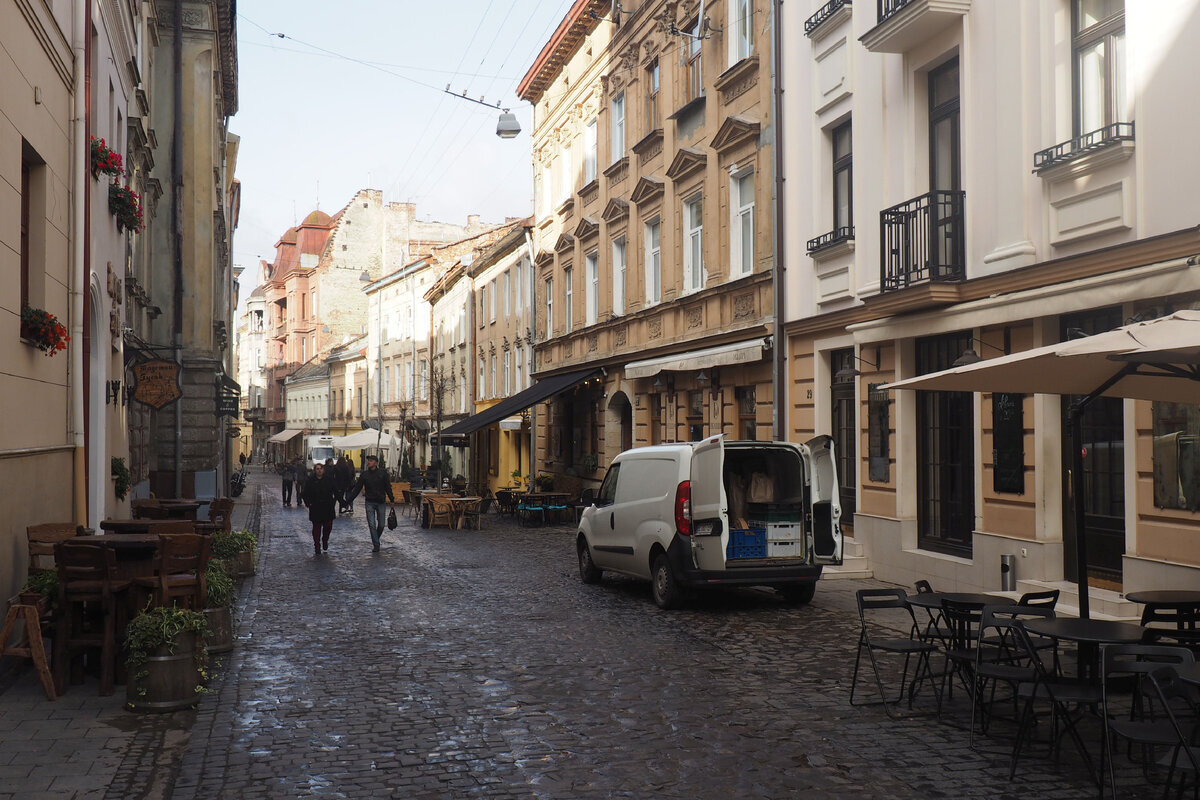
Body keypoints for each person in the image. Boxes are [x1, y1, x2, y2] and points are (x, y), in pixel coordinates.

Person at [345, 454, 395, 552]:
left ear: (376, 463)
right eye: (369, 461)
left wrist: (392, 499)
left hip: (381, 501)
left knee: (381, 525)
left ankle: (375, 538)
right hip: (370, 502)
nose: (369, 462)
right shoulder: (365, 474)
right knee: (371, 524)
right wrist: (348, 501)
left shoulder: (382, 473)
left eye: (371, 461)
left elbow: (387, 487)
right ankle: (376, 544)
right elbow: (357, 489)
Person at [302, 461, 338, 556]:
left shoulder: (329, 480)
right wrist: (308, 503)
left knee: (328, 526)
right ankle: (317, 545)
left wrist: (341, 502)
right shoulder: (311, 480)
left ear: (323, 470)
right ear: (315, 470)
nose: (319, 470)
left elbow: (336, 491)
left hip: (327, 507)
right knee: (316, 528)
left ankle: (325, 540)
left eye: (320, 469)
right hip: (316, 507)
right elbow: (305, 493)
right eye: (317, 469)